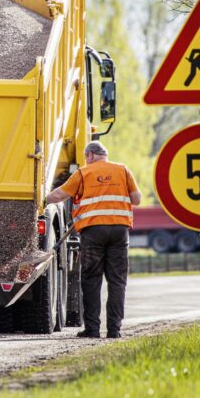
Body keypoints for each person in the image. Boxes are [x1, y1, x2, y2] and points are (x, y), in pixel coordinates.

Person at [45, 140, 141, 338]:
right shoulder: (123, 170)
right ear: (104, 155)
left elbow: (59, 195)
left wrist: (41, 198)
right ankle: (114, 330)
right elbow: (137, 199)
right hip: (119, 231)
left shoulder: (83, 173)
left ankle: (93, 329)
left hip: (93, 232)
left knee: (91, 280)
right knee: (117, 281)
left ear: (89, 155)